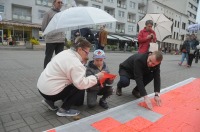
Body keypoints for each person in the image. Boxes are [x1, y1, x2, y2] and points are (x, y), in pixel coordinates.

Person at [37, 37, 104, 117]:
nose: (87, 55)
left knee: (72, 84)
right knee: (79, 88)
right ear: (79, 49)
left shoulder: (66, 52)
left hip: (42, 88)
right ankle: (64, 109)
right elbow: (81, 84)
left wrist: (81, 64)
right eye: (86, 53)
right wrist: (96, 77)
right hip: (50, 92)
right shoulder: (75, 63)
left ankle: (49, 101)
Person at [41, 0, 65, 69]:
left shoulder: (62, 14)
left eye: (61, 3)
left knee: (60, 59)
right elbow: (43, 27)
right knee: (48, 57)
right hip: (51, 40)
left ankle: (57, 73)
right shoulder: (48, 13)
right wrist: (50, 34)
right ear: (54, 3)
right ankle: (45, 73)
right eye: (58, 2)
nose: (60, 4)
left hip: (61, 40)